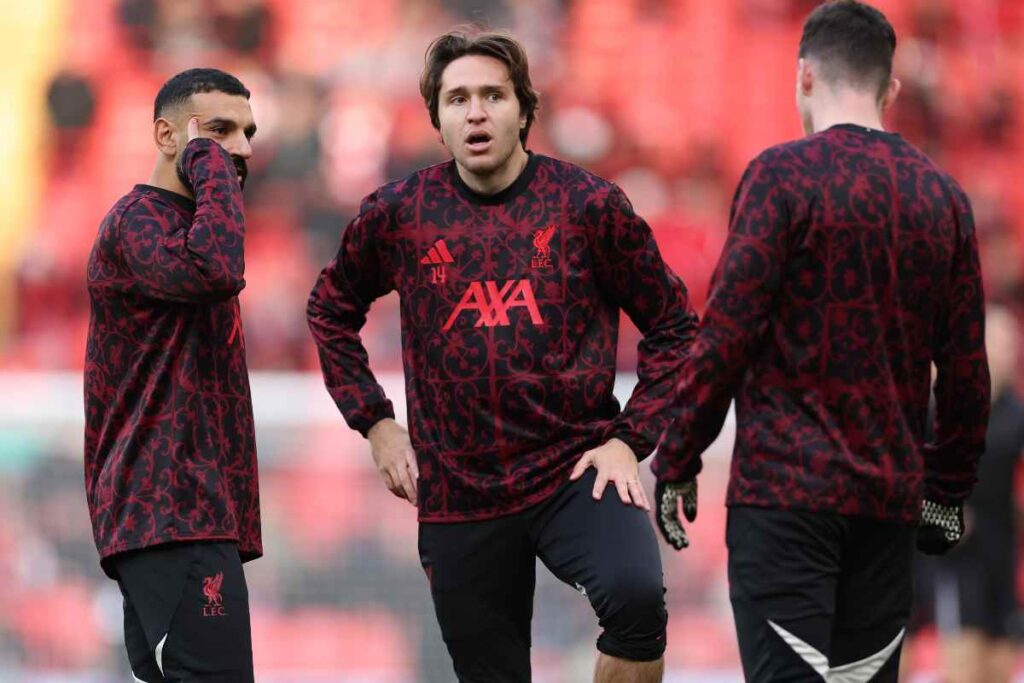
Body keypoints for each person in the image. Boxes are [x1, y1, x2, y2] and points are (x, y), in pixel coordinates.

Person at [307, 27, 698, 683]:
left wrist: (632, 440)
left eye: (494, 94)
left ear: (524, 110)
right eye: (458, 98)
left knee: (636, 604)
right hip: (459, 489)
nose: (477, 111)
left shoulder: (589, 207)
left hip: (576, 468)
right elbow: (329, 309)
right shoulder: (399, 215)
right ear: (437, 118)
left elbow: (676, 325)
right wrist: (374, 422)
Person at [651, 2, 990, 681]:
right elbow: (965, 373)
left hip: (785, 501)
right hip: (886, 511)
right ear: (889, 90)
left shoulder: (781, 177)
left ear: (803, 76)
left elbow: (726, 335)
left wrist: (678, 454)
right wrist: (945, 494)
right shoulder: (943, 198)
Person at [84, 68, 261, 682]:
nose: (236, 149)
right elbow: (215, 270)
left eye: (245, 133)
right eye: (216, 131)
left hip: (192, 513)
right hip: (168, 511)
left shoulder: (188, 228)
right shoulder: (138, 222)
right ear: (167, 136)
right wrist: (207, 164)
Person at [913, 304, 1023, 683]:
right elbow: (908, 475)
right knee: (963, 668)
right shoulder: (942, 410)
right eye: (999, 343)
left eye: (1013, 344)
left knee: (997, 669)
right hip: (957, 563)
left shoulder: (1016, 414)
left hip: (1002, 562)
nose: (1008, 352)